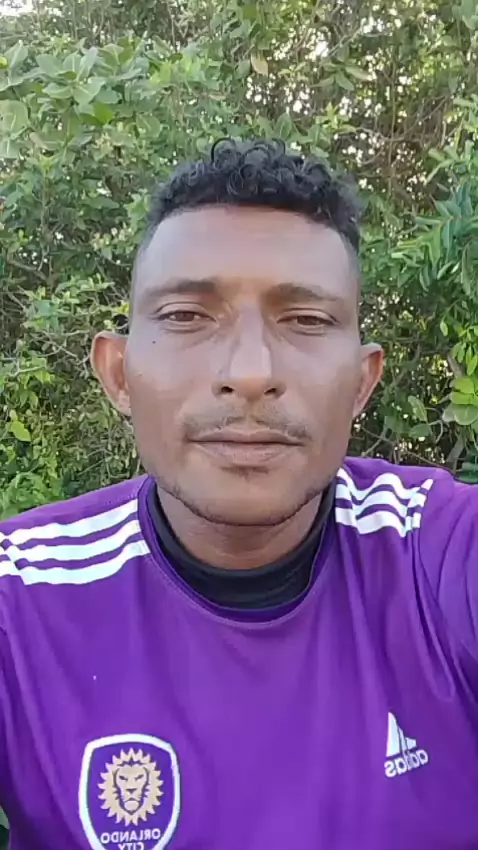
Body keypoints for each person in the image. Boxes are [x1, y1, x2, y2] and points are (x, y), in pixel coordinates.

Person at [0, 139, 477, 850]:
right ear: (120, 375)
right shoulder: (21, 598)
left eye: (306, 320)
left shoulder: (436, 555)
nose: (251, 373)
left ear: (361, 384)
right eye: (187, 316)